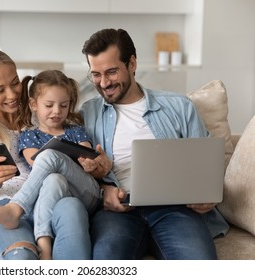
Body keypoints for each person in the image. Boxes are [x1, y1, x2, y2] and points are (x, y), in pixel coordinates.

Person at [79, 28, 229, 260]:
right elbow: (75, 173)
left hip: (175, 209)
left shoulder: (179, 107)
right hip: (117, 212)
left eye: (111, 72)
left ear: (132, 64)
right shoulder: (86, 114)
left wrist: (207, 194)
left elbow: (207, 164)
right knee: (107, 258)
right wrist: (102, 191)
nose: (104, 83)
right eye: (96, 74)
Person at [0, 49, 91, 260]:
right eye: (0, 90)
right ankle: (15, 211)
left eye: (15, 83)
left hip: (50, 199)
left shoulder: (40, 114)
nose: (12, 94)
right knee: (22, 260)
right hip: (1, 207)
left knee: (73, 214)